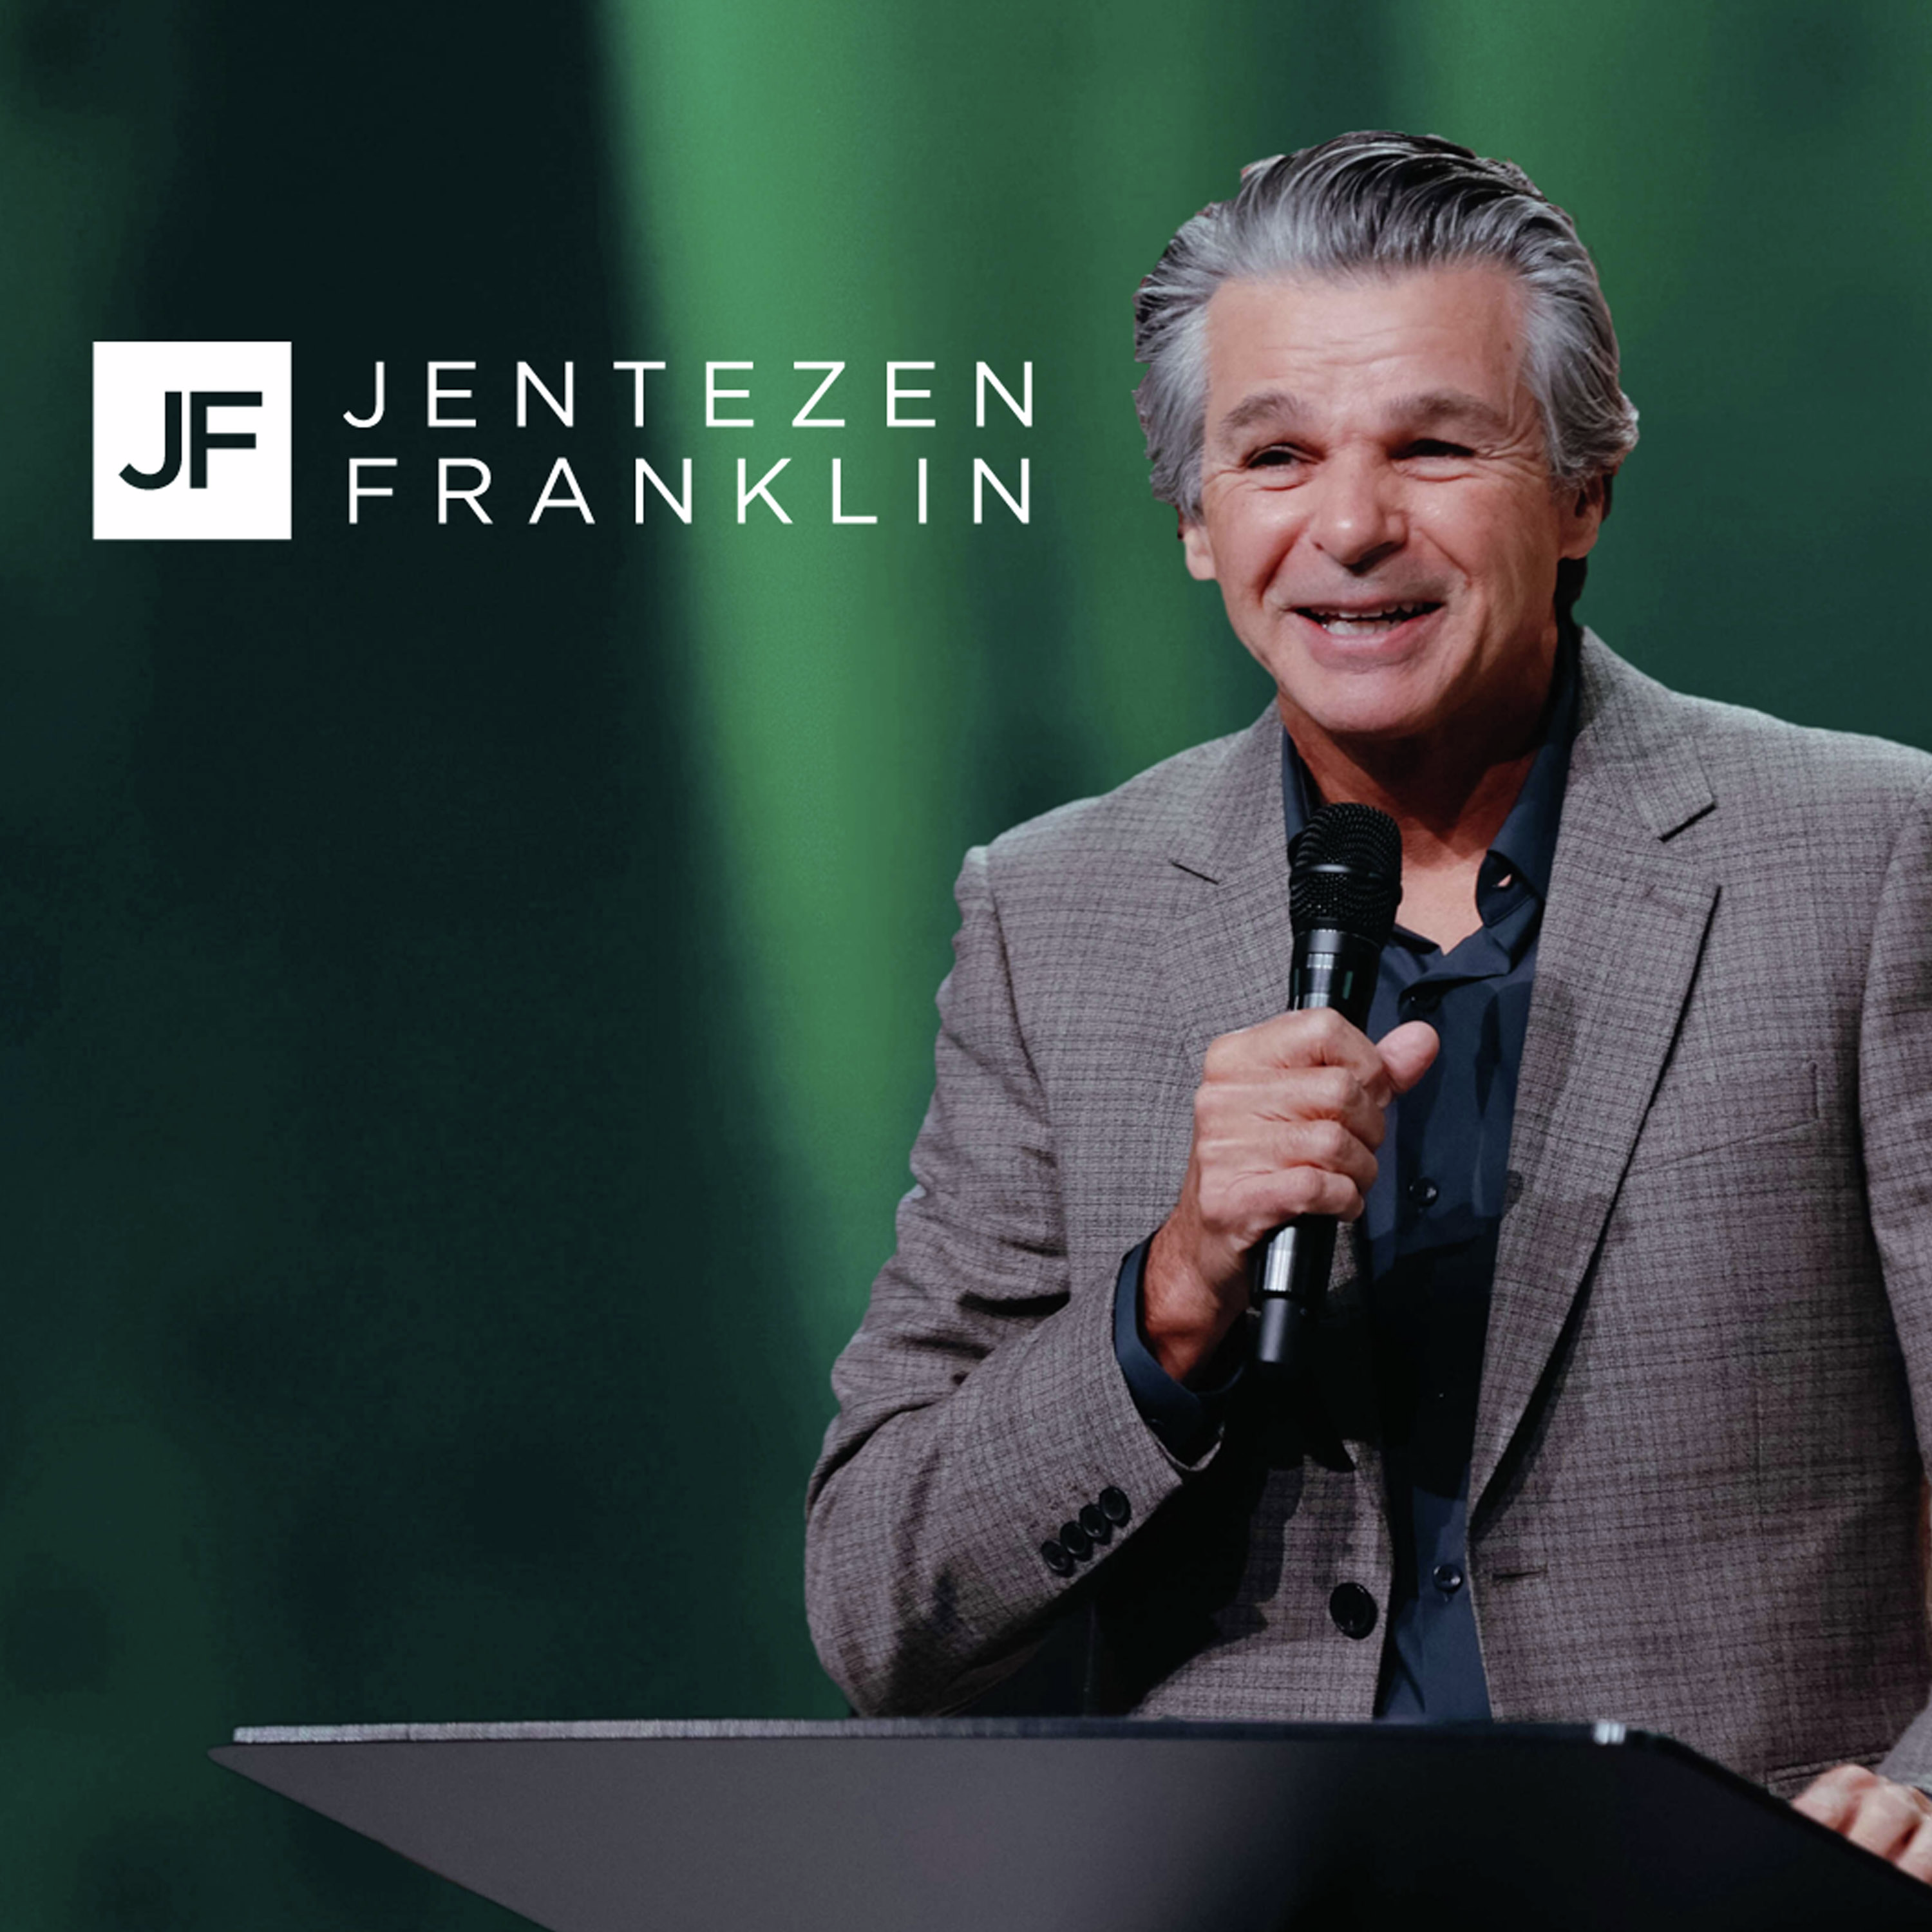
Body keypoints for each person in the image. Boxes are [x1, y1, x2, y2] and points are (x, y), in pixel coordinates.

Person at [804, 132, 1932, 1880]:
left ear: (1583, 491)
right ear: (1197, 523)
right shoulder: (1057, 914)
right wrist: (1175, 1292)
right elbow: (883, 1607)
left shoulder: (1867, 860)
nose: (1349, 527)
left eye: (1433, 446)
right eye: (1276, 457)